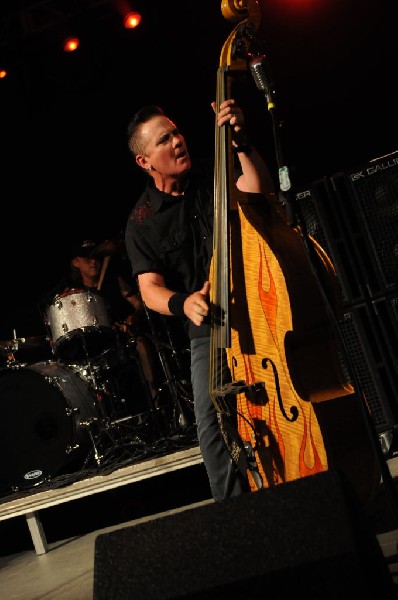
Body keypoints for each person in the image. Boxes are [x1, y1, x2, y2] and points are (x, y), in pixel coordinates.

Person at [124, 99, 276, 501]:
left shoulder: (213, 173)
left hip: (258, 308)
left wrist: (241, 144)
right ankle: (235, 518)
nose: (178, 141)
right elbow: (149, 290)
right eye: (164, 140)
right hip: (209, 328)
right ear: (145, 161)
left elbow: (258, 190)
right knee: (211, 426)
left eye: (176, 132)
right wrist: (184, 303)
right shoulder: (141, 222)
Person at [41, 239, 159, 409]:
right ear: (75, 263)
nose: (93, 261)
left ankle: (155, 400)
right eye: (86, 258)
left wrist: (134, 317)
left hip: (120, 340)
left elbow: (139, 304)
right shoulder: (73, 294)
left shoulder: (114, 281)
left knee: (141, 344)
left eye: (96, 257)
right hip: (93, 348)